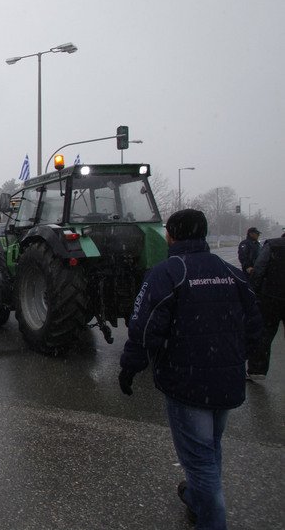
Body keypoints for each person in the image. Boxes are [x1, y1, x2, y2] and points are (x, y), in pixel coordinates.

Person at [118, 209, 261, 529]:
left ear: (170, 235)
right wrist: (237, 360)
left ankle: (211, 519)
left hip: (187, 384)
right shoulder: (232, 273)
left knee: (199, 461)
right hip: (227, 381)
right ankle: (197, 499)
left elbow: (144, 327)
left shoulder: (168, 273)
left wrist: (130, 367)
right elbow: (255, 326)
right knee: (209, 448)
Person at [247, 231, 285, 379]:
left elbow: (259, 269)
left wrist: (253, 291)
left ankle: (257, 369)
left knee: (265, 333)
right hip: (272, 296)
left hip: (272, 297)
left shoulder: (273, 245)